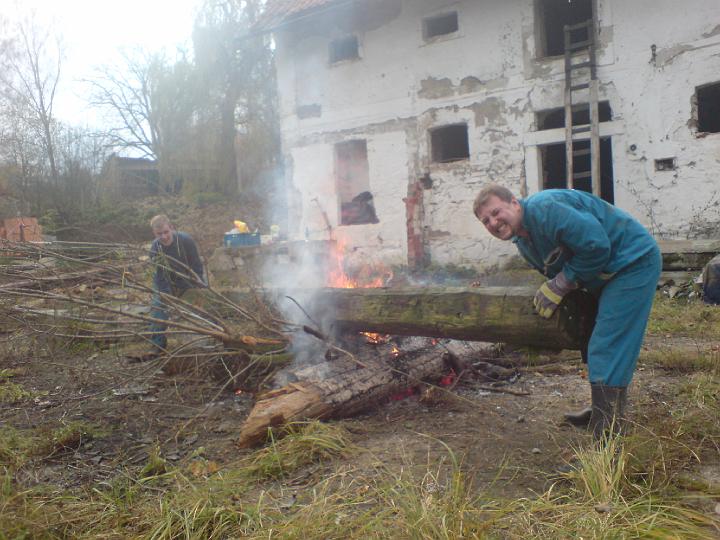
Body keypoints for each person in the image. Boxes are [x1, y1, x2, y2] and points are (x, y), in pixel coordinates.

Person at [473, 185, 661, 441]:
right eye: (486, 221)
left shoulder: (546, 209)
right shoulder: (522, 238)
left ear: (515, 203)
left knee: (608, 342)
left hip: (631, 262)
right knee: (592, 336)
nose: (494, 222)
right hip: (603, 274)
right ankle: (603, 411)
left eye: (496, 212)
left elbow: (596, 247)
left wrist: (562, 282)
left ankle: (608, 433)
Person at [147, 215, 205, 353]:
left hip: (189, 279)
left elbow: (197, 266)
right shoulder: (155, 248)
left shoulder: (186, 241)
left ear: (172, 228)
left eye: (166, 232)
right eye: (159, 234)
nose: (164, 237)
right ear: (154, 233)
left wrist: (195, 286)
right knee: (158, 309)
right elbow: (159, 277)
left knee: (204, 305)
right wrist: (166, 296)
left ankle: (216, 335)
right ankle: (157, 346)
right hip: (166, 282)